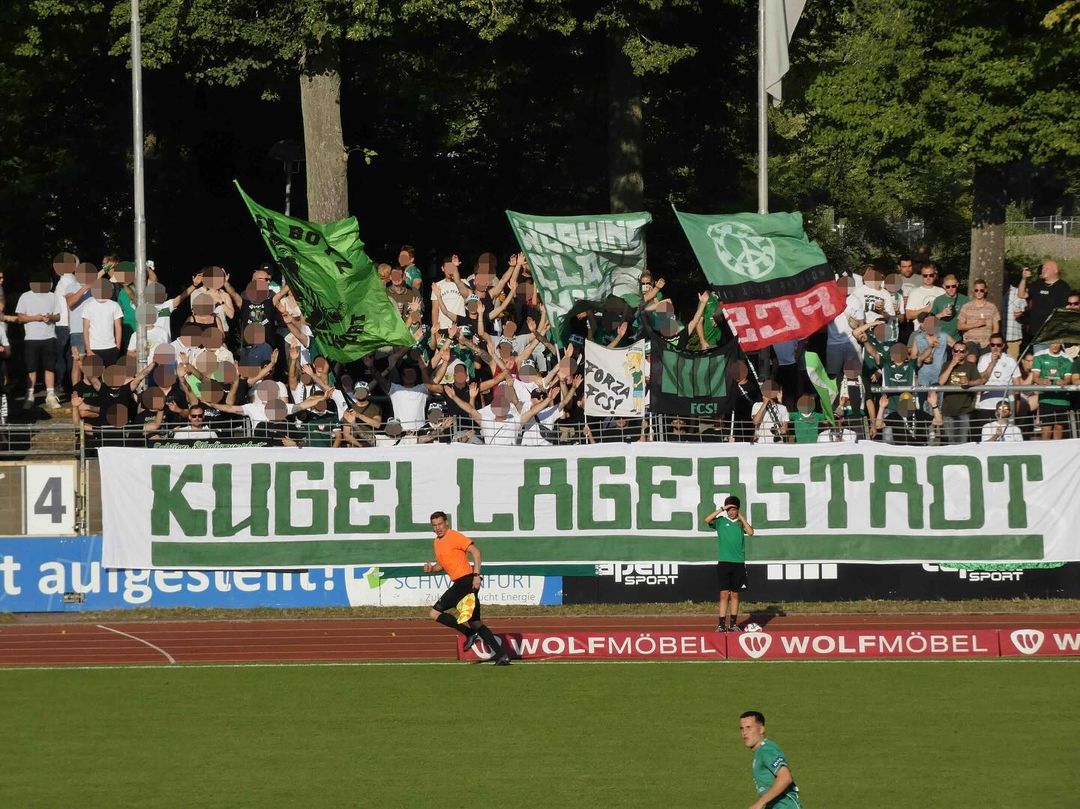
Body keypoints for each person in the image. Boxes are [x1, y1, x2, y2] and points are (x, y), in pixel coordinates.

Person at [423, 511, 511, 665]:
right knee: (475, 623)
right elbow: (441, 565)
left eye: (440, 524)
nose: (438, 528)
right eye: (434, 525)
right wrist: (432, 569)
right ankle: (502, 655)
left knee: (435, 613)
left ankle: (469, 633)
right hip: (462, 583)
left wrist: (476, 575)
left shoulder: (454, 536)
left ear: (446, 523)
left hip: (465, 582)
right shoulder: (436, 542)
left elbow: (476, 552)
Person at [704, 496, 754, 632]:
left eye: (733, 509)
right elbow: (707, 520)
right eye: (729, 509)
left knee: (735, 595)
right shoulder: (720, 521)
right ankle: (721, 625)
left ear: (738, 509)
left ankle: (733, 624)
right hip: (724, 562)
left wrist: (741, 517)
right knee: (724, 594)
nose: (731, 512)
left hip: (738, 563)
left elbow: (750, 532)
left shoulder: (740, 523)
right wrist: (722, 509)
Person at [739, 711, 805, 809]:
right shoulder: (760, 752)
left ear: (761, 729)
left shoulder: (766, 750)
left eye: (749, 727)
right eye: (742, 728)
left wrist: (760, 803)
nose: (744, 732)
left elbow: (785, 778)